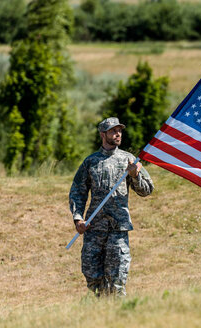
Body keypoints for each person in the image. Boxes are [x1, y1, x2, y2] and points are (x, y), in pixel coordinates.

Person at [69, 117, 154, 296]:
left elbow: (147, 190)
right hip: (94, 228)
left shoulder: (129, 160)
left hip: (118, 229)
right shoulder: (90, 162)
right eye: (113, 131)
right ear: (103, 134)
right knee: (92, 275)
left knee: (117, 279)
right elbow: (77, 192)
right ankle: (101, 311)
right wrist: (78, 218)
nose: (118, 134)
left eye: (120, 131)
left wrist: (135, 176)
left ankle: (117, 314)